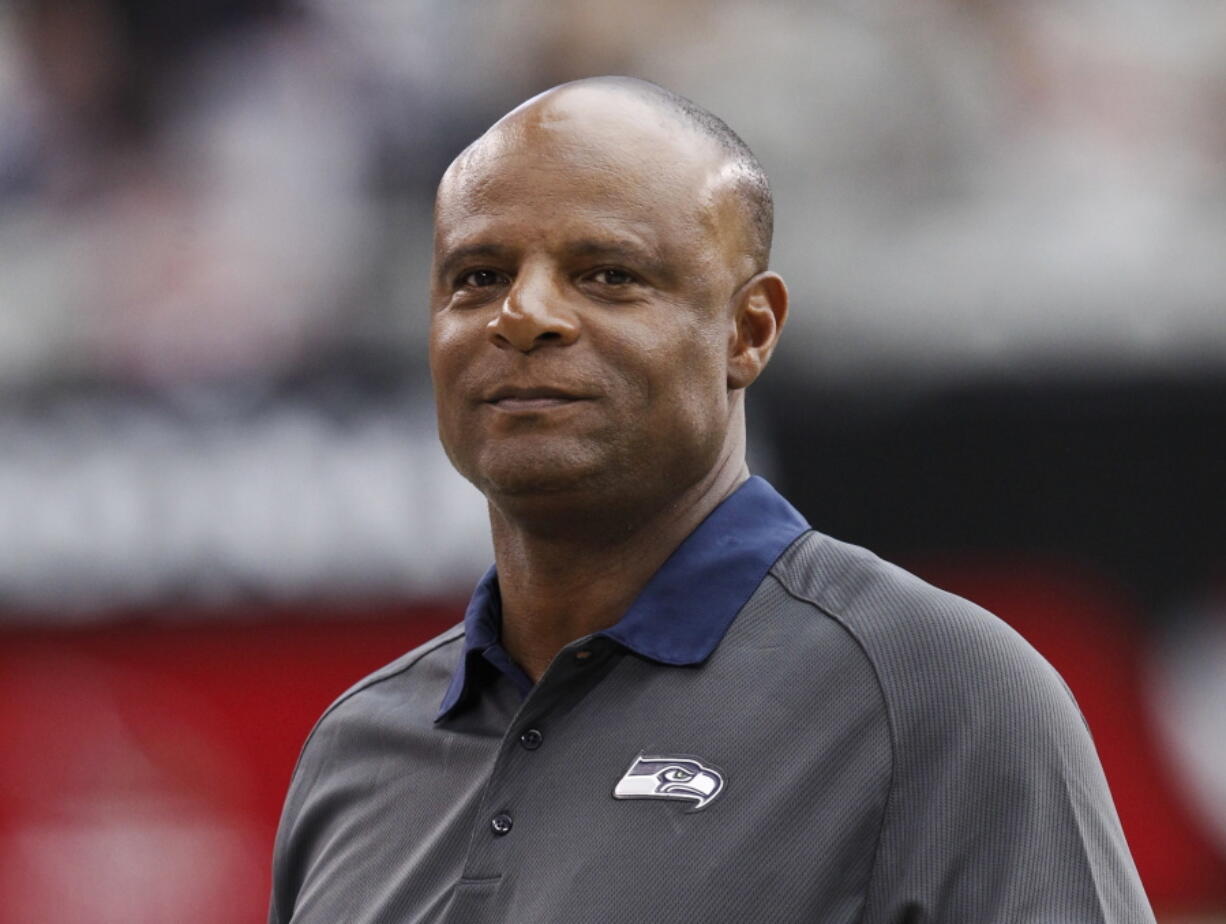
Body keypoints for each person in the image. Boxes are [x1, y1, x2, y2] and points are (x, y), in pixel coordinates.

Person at [269, 77, 1155, 923]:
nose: (523, 313)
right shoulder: (357, 750)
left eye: (608, 274)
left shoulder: (936, 691)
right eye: (478, 275)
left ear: (749, 331)